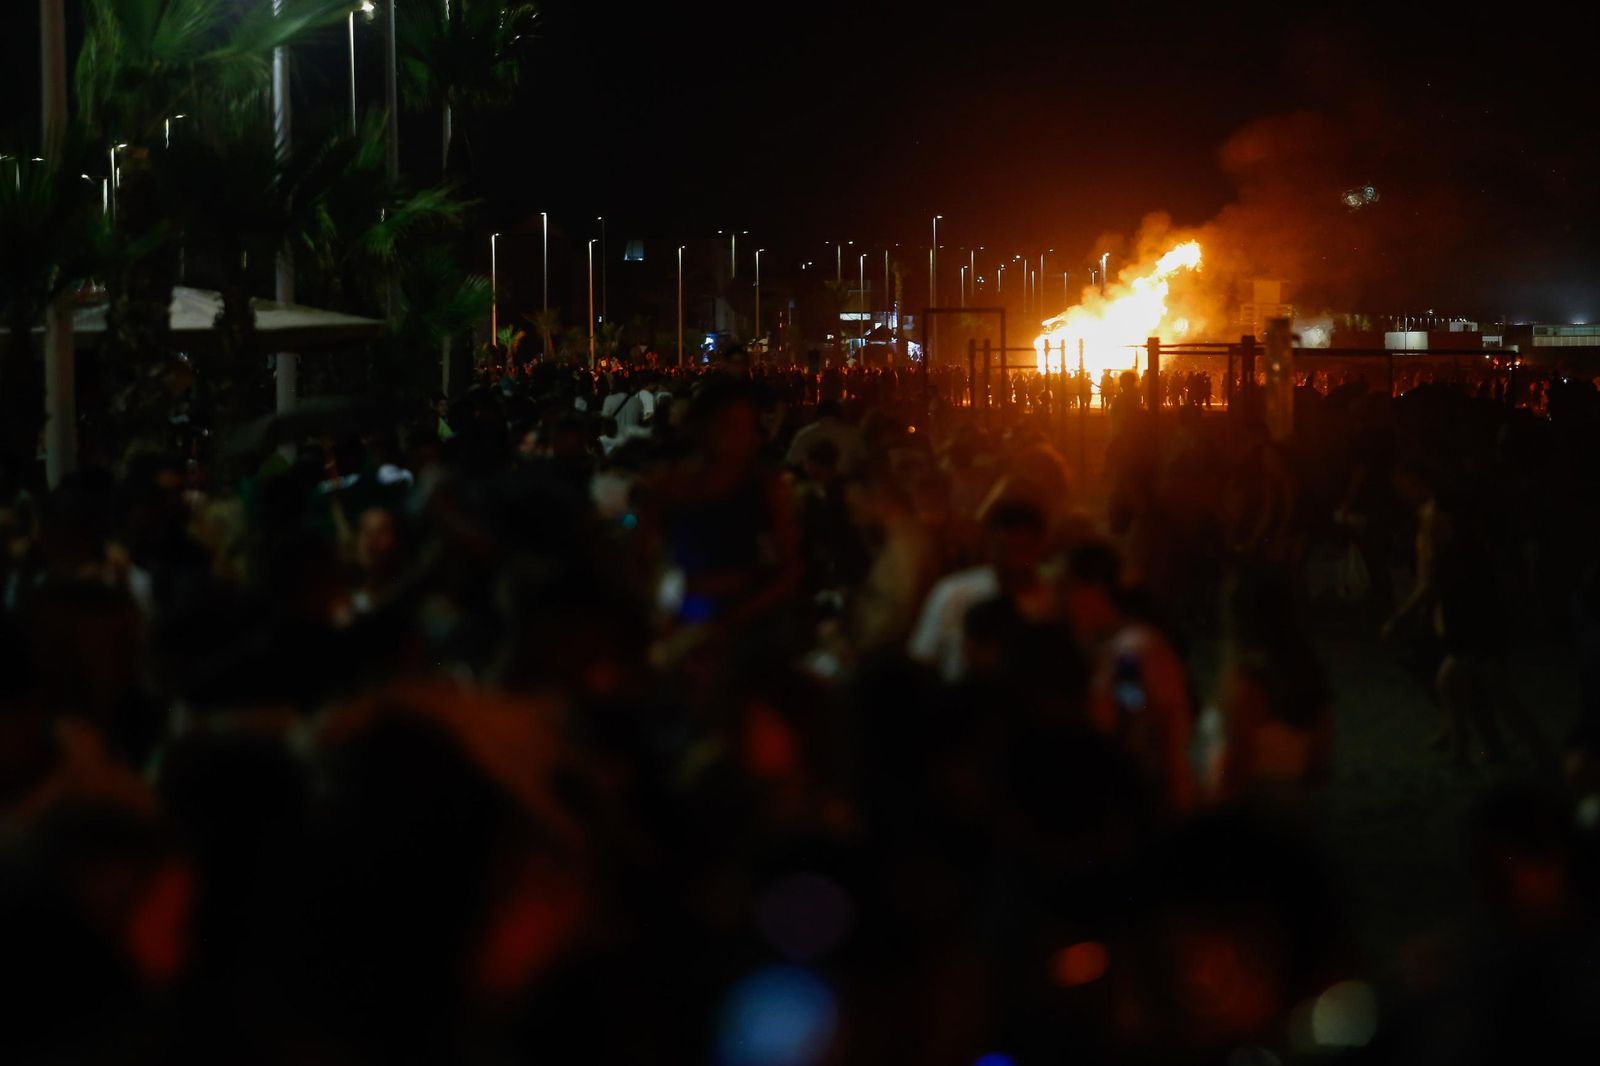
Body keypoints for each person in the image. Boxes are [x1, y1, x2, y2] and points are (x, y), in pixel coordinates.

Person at [1065, 541, 1194, 814]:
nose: (1066, 602)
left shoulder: (1130, 651)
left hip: (1141, 797)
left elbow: (1130, 717)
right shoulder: (1119, 646)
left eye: (1070, 589)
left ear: (1095, 590)